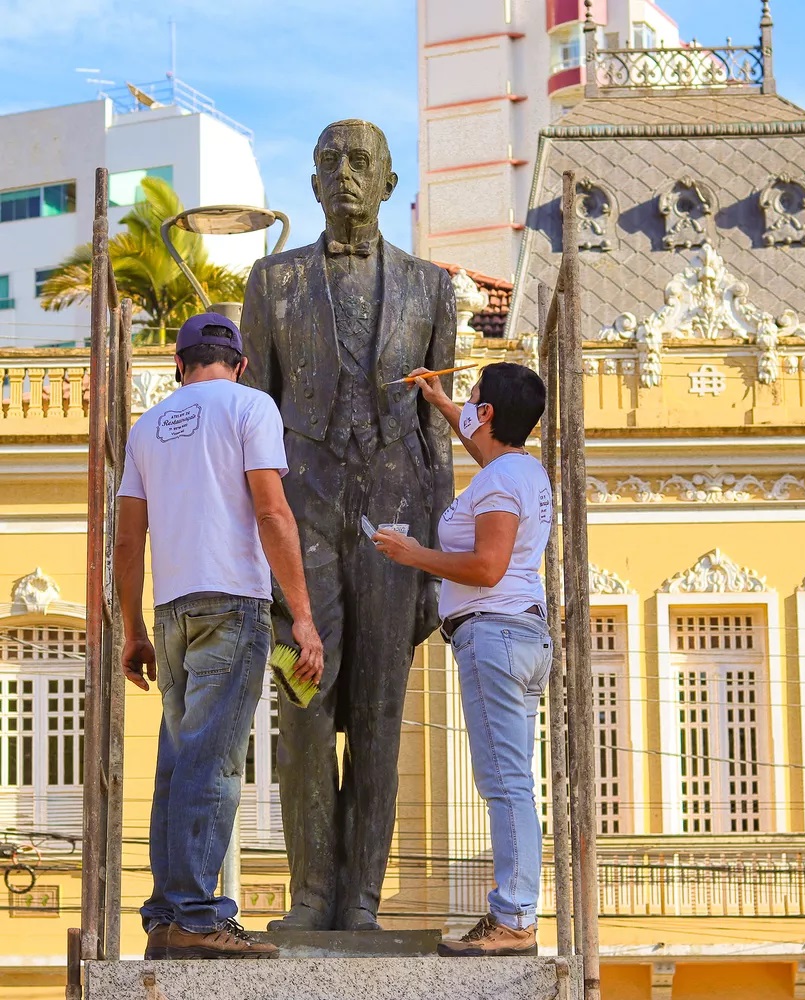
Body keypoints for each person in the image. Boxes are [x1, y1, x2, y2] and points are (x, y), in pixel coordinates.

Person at [240, 118, 456, 932]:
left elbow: (439, 439)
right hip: (303, 516)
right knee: (303, 711)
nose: (344, 174)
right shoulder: (273, 281)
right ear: (313, 183)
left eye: (360, 162)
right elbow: (253, 424)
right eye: (328, 161)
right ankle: (309, 896)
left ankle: (361, 902)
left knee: (377, 718)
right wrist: (258, 554)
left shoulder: (433, 287)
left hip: (397, 519)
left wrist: (434, 567)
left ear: (389, 183)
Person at [114, 311, 324, 960]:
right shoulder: (250, 406)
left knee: (179, 765)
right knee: (215, 765)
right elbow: (270, 510)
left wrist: (134, 629)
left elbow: (127, 538)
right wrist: (303, 615)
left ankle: (166, 918)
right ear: (239, 363)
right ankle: (200, 918)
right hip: (232, 604)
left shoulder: (147, 427)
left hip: (173, 612)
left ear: (178, 365)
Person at [374, 361, 553, 957]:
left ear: (493, 413)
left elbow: (485, 567)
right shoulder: (518, 471)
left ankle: (514, 917)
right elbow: (483, 448)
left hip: (493, 636)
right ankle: (515, 912)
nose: (468, 408)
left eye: (475, 399)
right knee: (514, 781)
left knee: (504, 784)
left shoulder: (501, 483)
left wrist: (412, 554)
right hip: (520, 637)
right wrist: (444, 402)